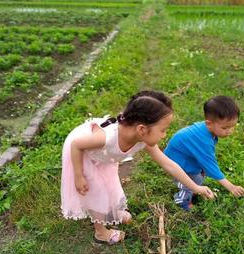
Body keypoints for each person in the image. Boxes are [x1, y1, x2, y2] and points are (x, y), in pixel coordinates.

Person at [61, 91, 214, 245]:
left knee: (110, 184)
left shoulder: (142, 139)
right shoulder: (106, 138)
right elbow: (77, 145)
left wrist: (195, 187)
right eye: (162, 130)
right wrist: (78, 175)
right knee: (96, 190)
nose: (164, 135)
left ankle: (114, 211)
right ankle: (100, 233)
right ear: (141, 129)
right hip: (82, 155)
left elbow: (169, 164)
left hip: (103, 156)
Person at [164, 95, 244, 211]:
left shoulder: (207, 130)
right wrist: (231, 187)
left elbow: (206, 160)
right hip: (177, 162)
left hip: (187, 158)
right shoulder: (203, 139)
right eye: (225, 128)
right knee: (189, 182)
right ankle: (181, 200)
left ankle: (194, 191)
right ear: (209, 123)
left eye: (233, 126)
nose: (230, 131)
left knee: (199, 176)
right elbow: (210, 164)